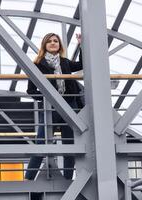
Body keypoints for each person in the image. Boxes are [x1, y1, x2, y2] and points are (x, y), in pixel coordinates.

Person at [25, 33, 83, 180]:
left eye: (55, 41)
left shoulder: (65, 62)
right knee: (41, 143)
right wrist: (46, 99)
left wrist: (82, 44)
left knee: (69, 144)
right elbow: (31, 90)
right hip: (50, 107)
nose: (53, 43)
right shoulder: (37, 64)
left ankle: (68, 179)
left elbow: (82, 64)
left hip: (69, 106)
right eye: (49, 41)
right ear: (44, 45)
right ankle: (29, 179)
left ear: (59, 45)